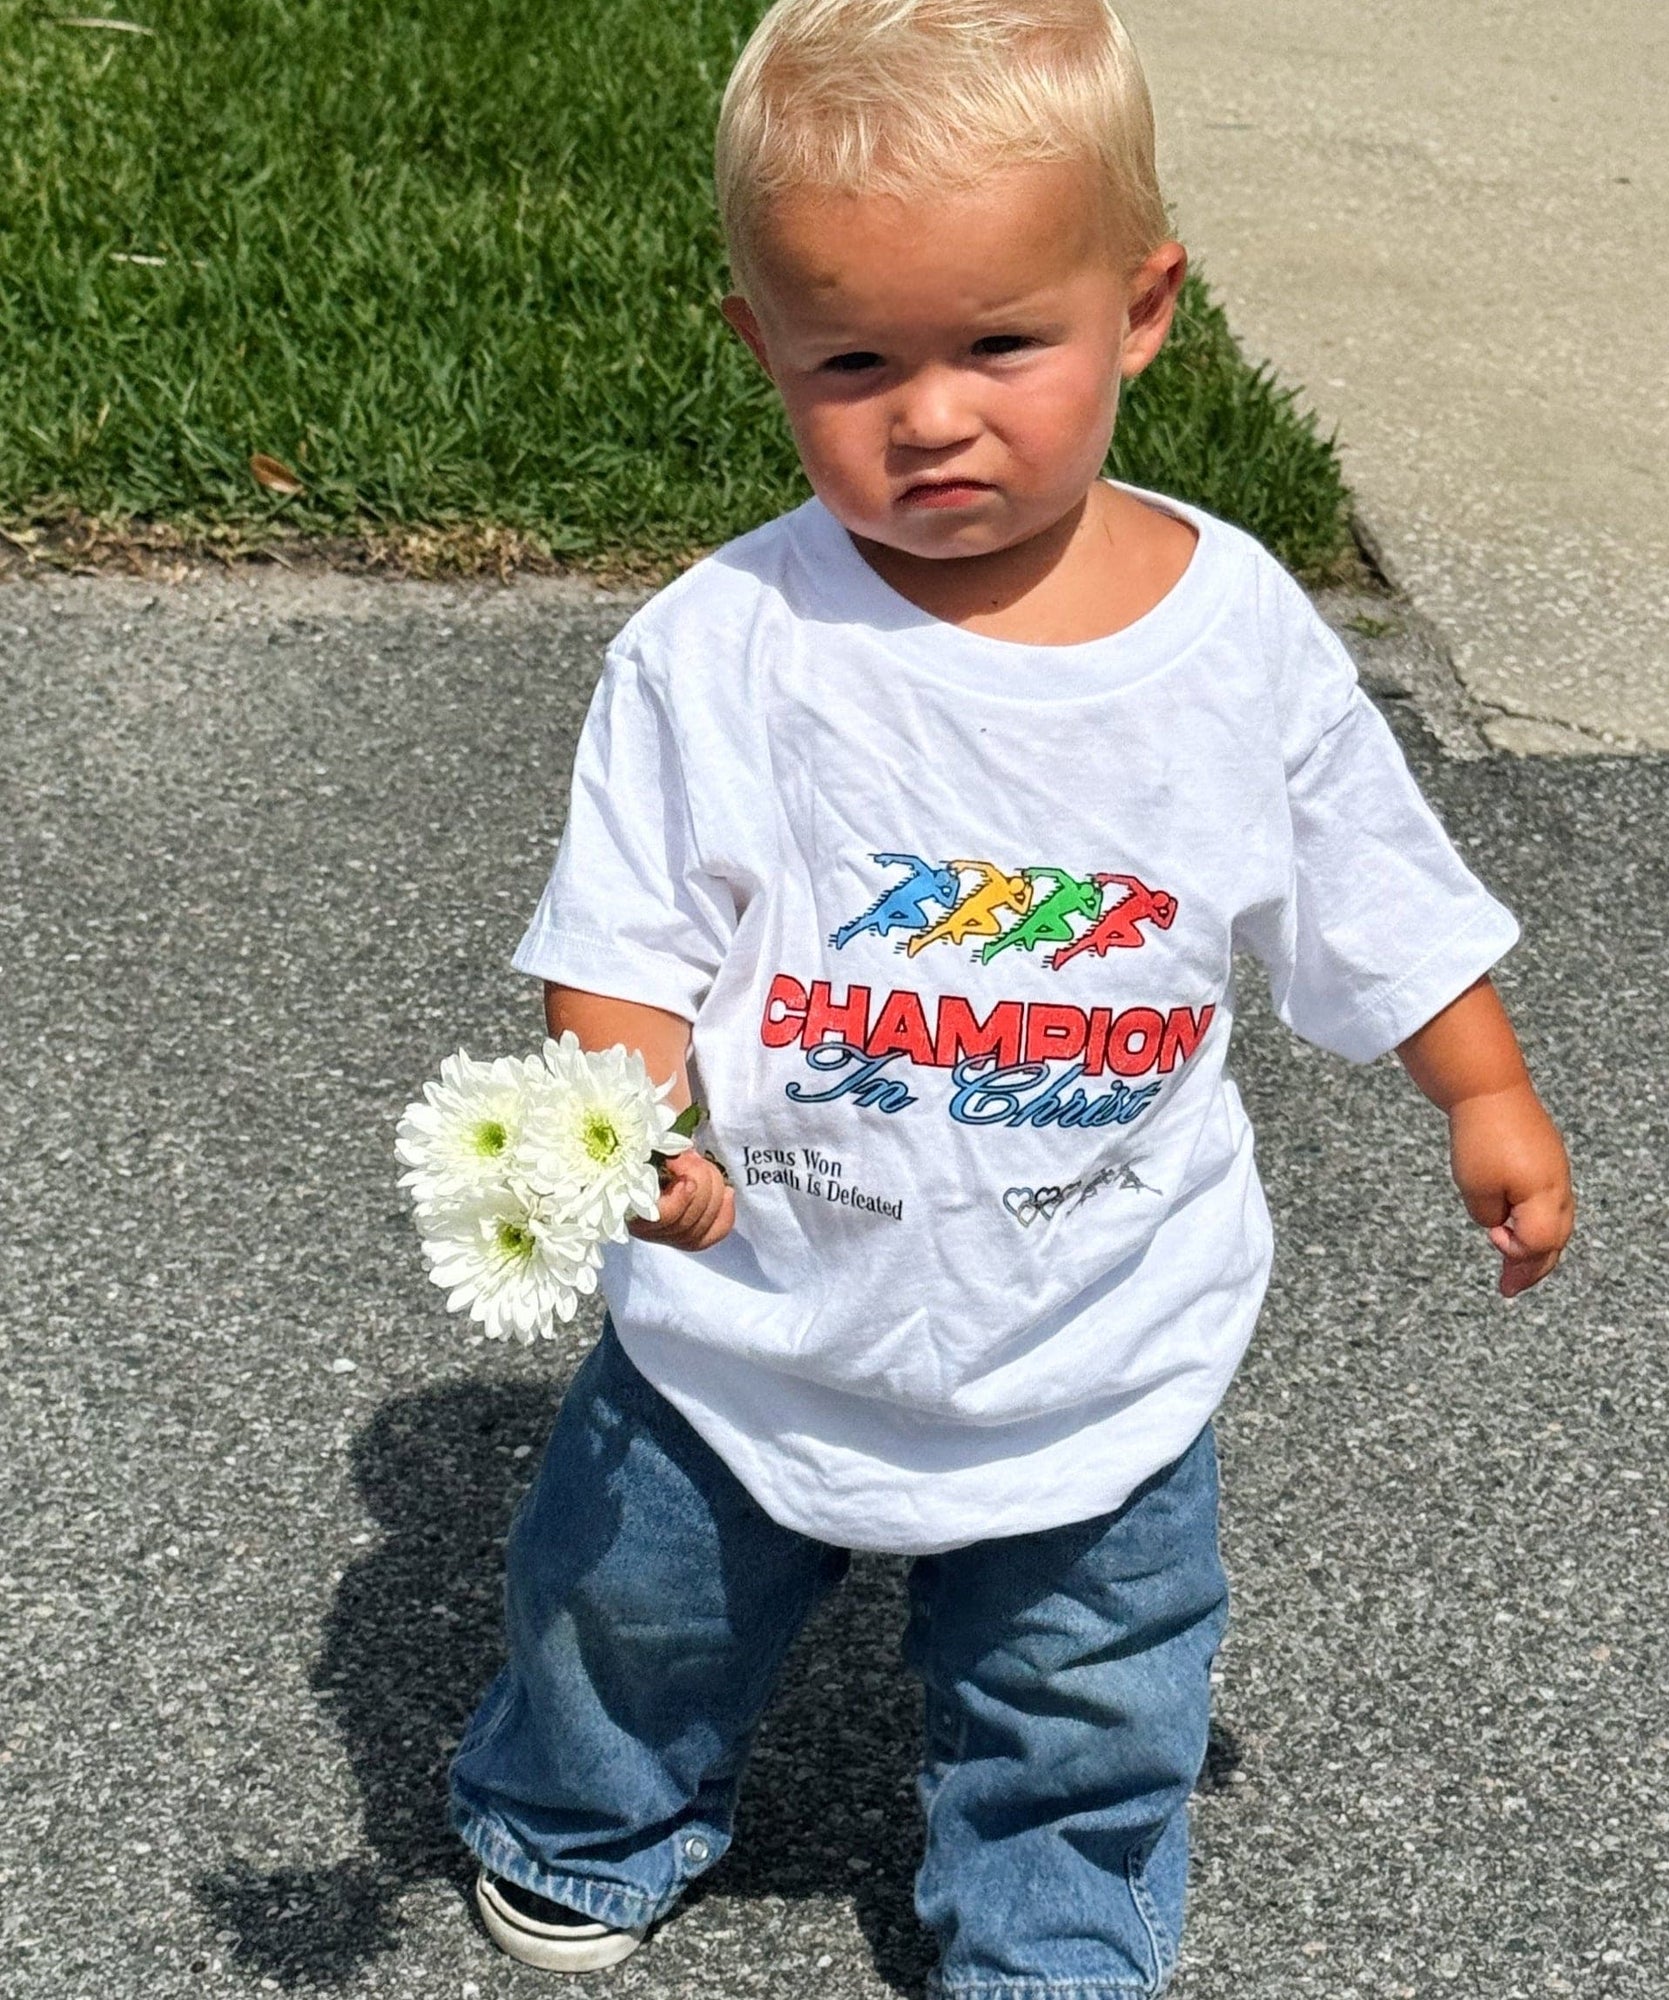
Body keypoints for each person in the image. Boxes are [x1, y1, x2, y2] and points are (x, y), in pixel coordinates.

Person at [448, 0, 1575, 1986]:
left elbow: (1371, 893)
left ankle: (1053, 1905)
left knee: (1088, 1677)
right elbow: (618, 949)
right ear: (760, 349)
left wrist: (1480, 1093)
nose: (932, 415)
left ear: (1142, 310)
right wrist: (639, 1141)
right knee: (631, 1604)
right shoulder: (723, 652)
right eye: (853, 362)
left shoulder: (1232, 645)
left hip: (1098, 1323)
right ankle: (585, 1807)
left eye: (1000, 346)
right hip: (759, 1308)